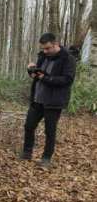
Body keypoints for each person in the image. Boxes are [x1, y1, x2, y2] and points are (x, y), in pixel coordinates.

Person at [20, 33, 76, 168]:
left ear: (56, 44)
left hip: (54, 101)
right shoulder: (43, 56)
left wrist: (44, 78)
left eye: (47, 48)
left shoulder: (68, 58)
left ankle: (46, 158)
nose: (45, 51)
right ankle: (27, 153)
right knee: (29, 126)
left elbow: (67, 80)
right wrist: (31, 70)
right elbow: (37, 75)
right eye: (43, 48)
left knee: (50, 131)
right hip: (37, 99)